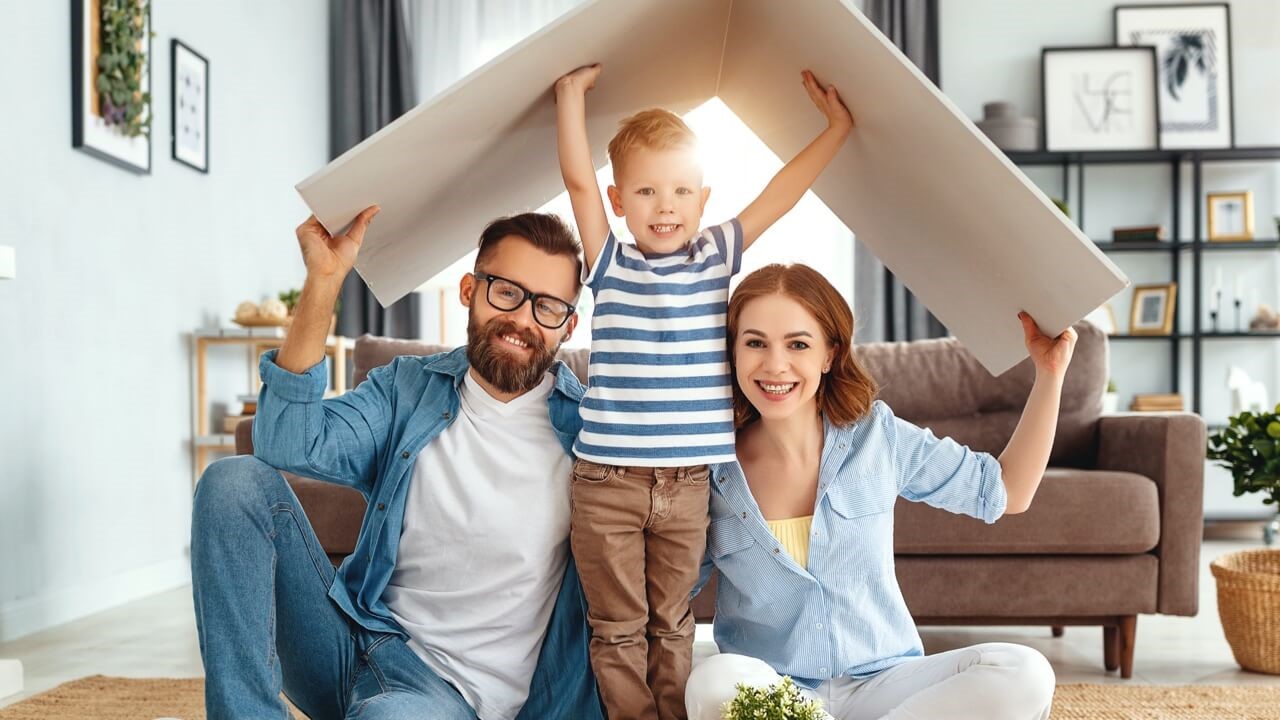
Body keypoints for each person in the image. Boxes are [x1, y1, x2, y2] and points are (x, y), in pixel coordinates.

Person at [191, 207, 604, 720]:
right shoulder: (408, 389)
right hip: (348, 642)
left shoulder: (591, 432)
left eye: (546, 306)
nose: (522, 319)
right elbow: (283, 441)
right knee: (233, 483)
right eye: (507, 292)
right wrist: (324, 281)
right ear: (470, 290)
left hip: (442, 695)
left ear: (569, 325)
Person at [553, 63, 854, 720]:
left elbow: (782, 193)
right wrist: (570, 98)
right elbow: (575, 177)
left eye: (682, 191)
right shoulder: (610, 260)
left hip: (690, 486)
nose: (666, 206)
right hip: (608, 484)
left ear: (703, 198)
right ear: (617, 201)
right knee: (617, 627)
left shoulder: (715, 255)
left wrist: (835, 129)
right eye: (648, 191)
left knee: (674, 625)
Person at [685, 264, 1076, 720]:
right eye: (755, 343)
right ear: (732, 352)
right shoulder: (708, 470)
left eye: (798, 344)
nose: (775, 365)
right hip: (779, 694)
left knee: (1023, 670)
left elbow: (1007, 490)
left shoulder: (877, 436)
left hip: (887, 686)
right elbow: (668, 595)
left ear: (829, 355)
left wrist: (1049, 375)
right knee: (713, 680)